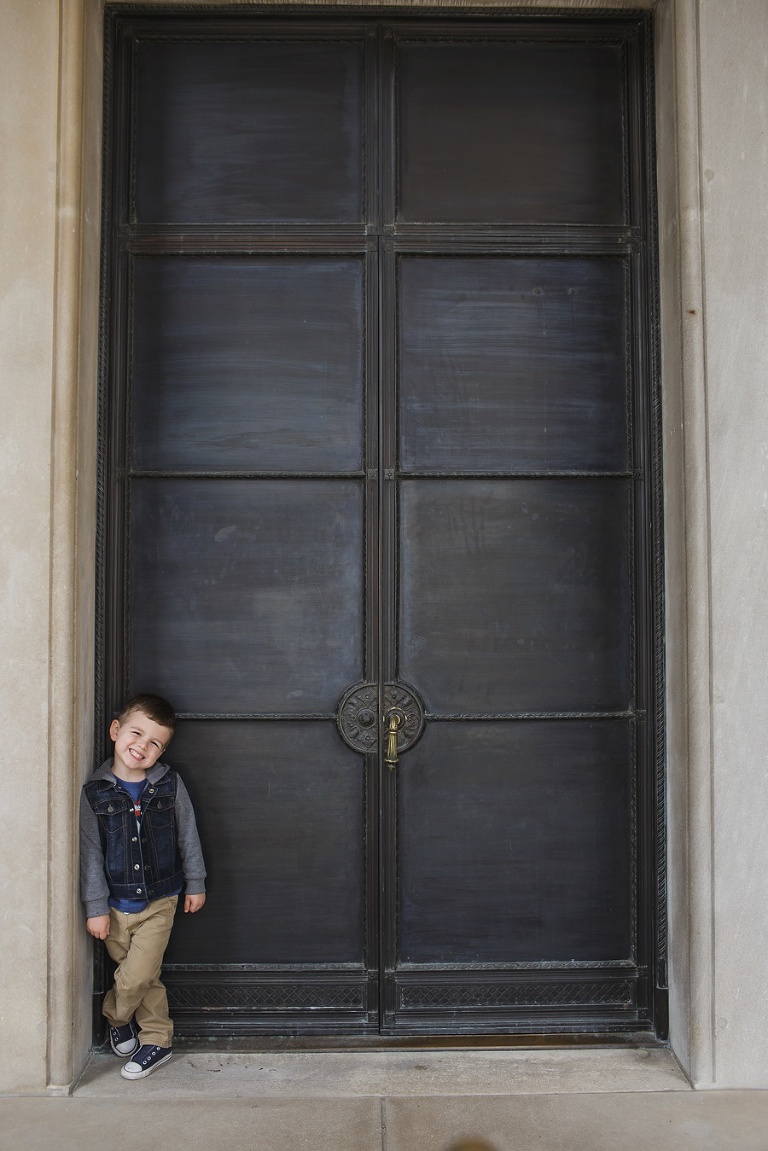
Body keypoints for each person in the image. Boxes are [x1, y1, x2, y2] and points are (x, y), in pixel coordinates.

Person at [79, 693, 206, 1079]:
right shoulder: (94, 793)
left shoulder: (169, 785)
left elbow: (188, 834)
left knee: (135, 977)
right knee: (145, 979)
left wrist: (196, 882)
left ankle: (117, 1016)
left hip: (160, 900)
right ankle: (156, 1041)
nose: (143, 746)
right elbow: (90, 854)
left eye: (156, 743)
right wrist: (96, 907)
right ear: (116, 731)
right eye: (137, 733)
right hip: (115, 908)